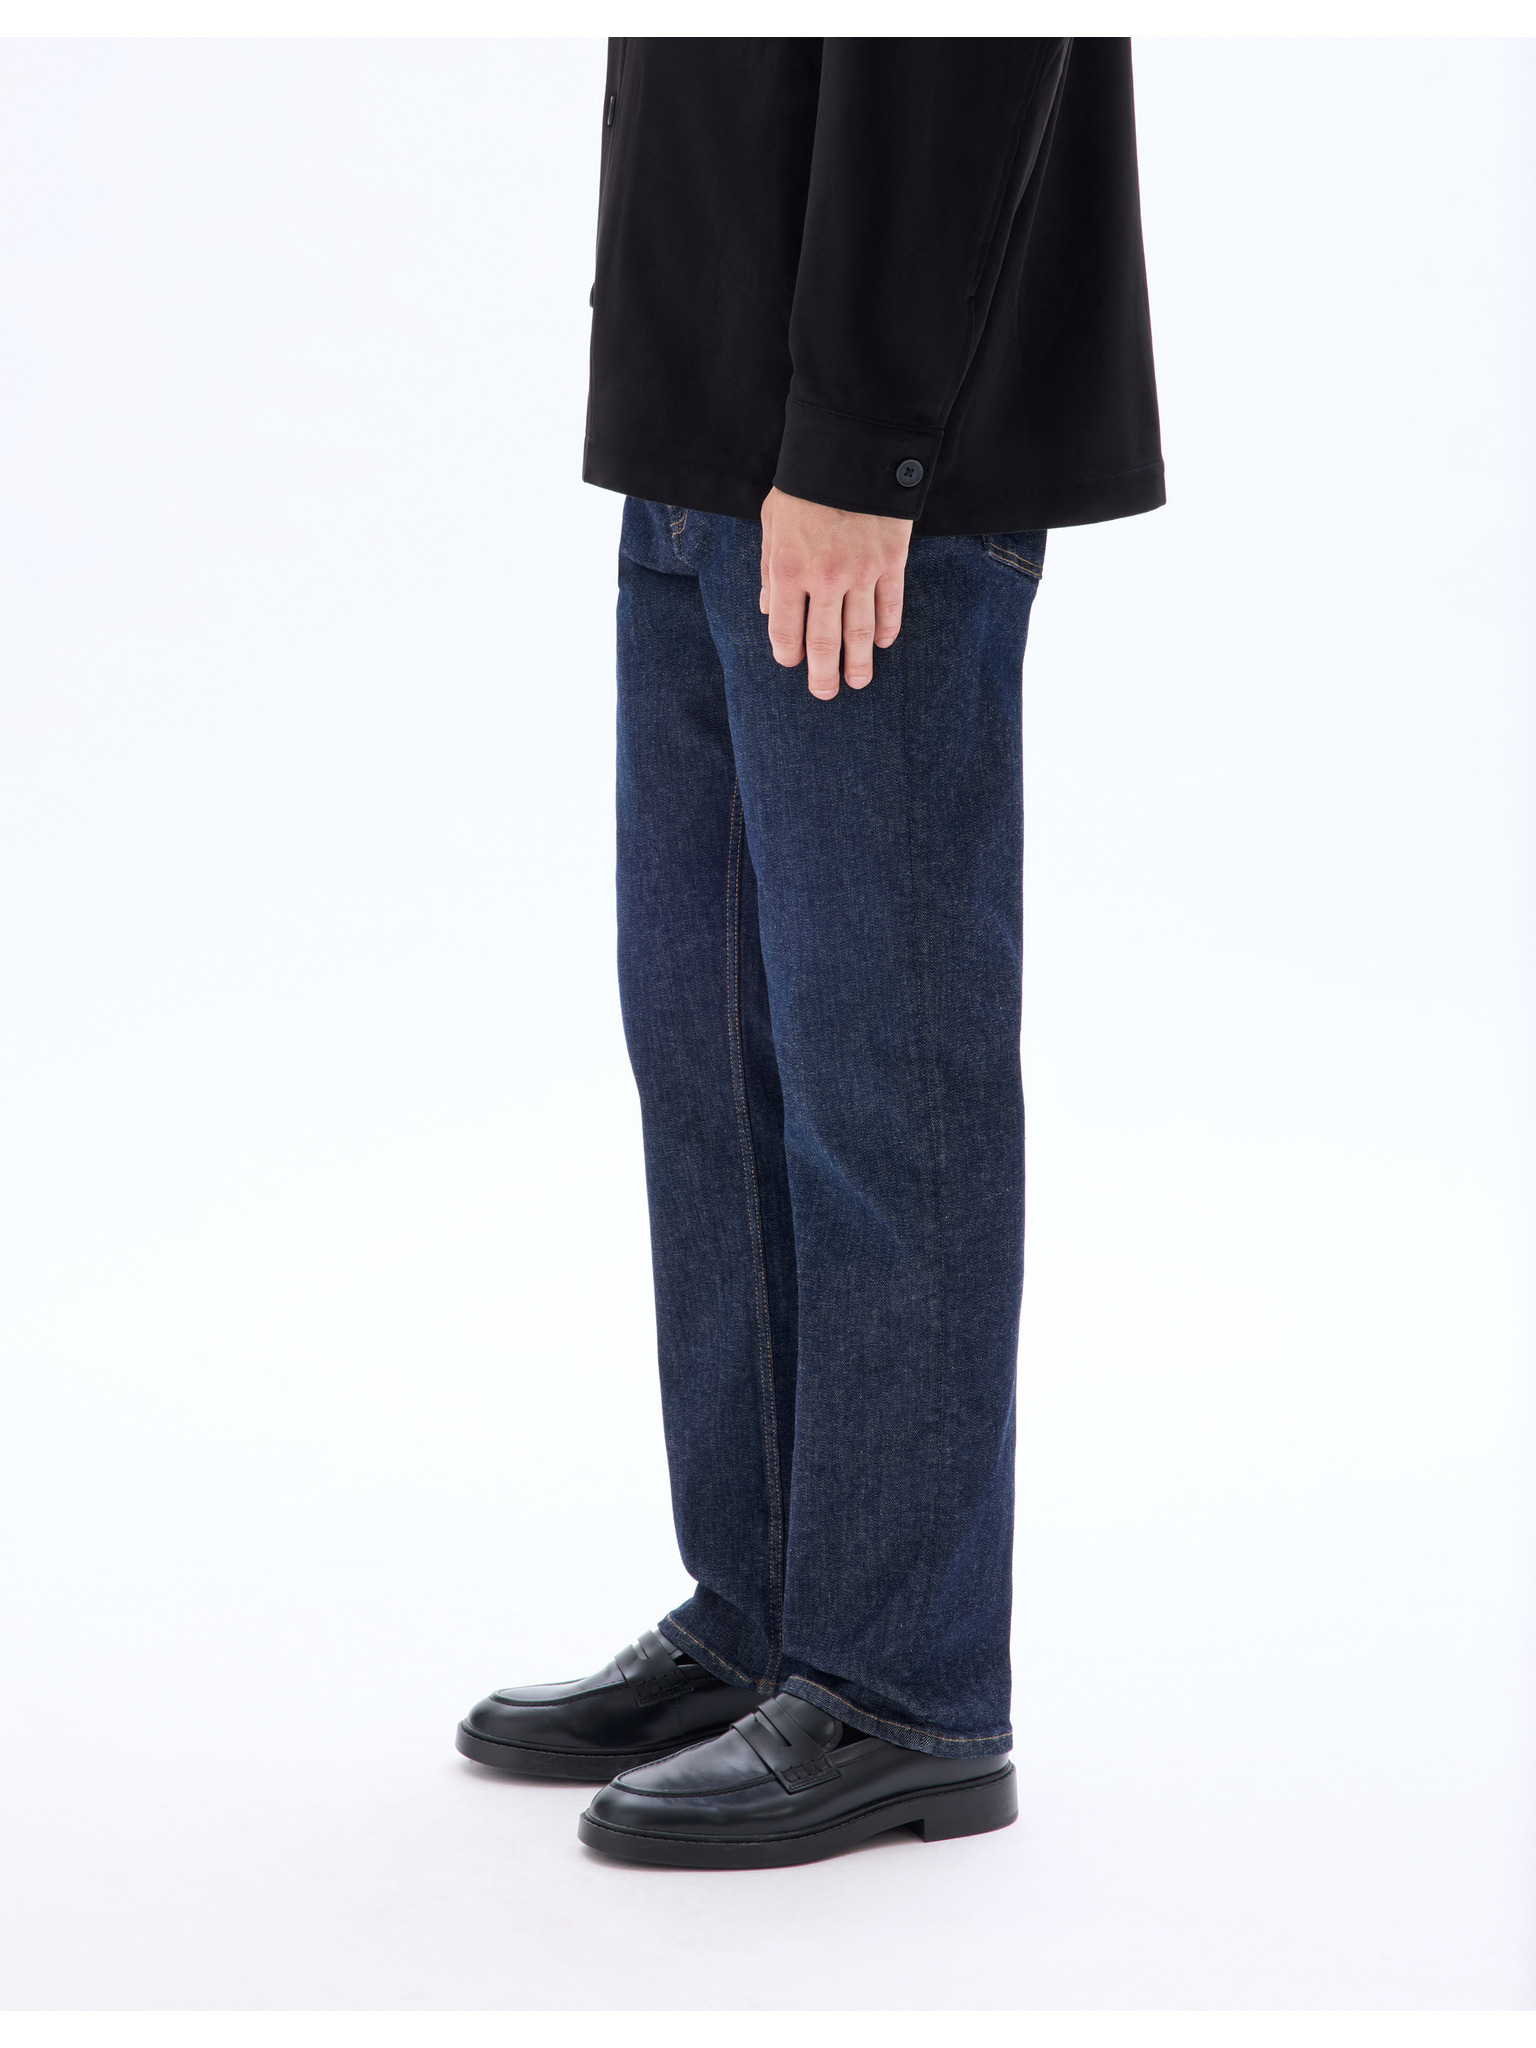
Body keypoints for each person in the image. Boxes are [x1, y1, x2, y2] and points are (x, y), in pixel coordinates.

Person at [456, 36, 1163, 1870]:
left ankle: (901, 1687)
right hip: (707, 427)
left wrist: (862, 438)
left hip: (860, 454)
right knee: (707, 1048)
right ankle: (768, 1616)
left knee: (879, 1072)